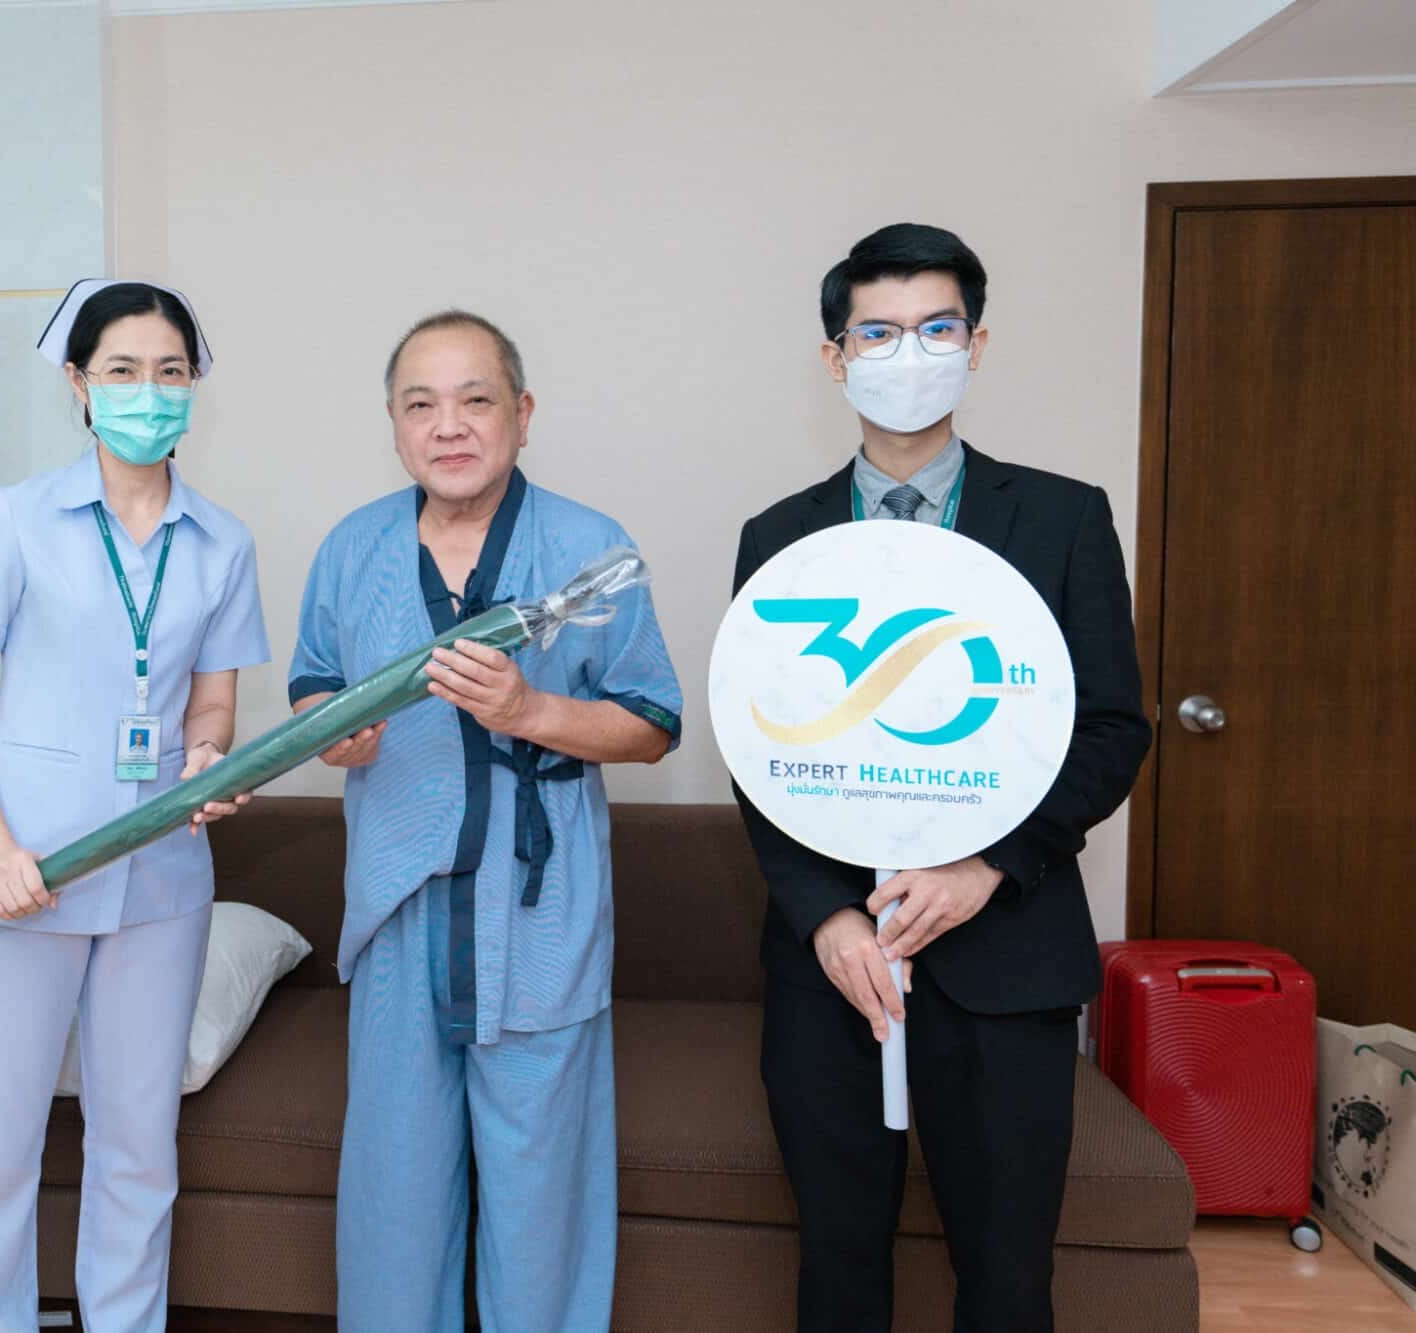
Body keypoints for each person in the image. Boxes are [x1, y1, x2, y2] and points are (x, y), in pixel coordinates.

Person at [732, 223, 1151, 1333]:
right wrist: (826, 917)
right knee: (837, 1269)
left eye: (934, 328)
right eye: (877, 332)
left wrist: (984, 869)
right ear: (836, 357)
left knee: (1007, 1280)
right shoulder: (778, 537)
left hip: (1007, 958)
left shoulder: (1062, 517)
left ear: (975, 345)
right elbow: (757, 747)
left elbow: (1111, 729)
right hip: (832, 971)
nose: (906, 353)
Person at [291, 311, 681, 1332]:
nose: (448, 425)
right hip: (399, 907)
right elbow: (313, 687)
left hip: (537, 912)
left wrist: (531, 710)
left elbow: (652, 725)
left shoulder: (588, 547)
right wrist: (332, 734)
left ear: (522, 412)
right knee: (394, 1201)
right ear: (392, 422)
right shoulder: (352, 549)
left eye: (475, 399)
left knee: (541, 1205)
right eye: (420, 403)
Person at [0, 279, 268, 1332]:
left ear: (194, 385)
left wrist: (207, 760)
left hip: (159, 883)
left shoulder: (222, 542)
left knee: (138, 1151)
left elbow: (212, 704)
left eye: (169, 371)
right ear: (78, 384)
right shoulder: (16, 519)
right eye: (122, 369)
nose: (147, 391)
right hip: (21, 877)